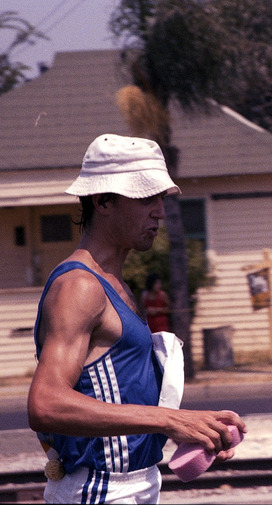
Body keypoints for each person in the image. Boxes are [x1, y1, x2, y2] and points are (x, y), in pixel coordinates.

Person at [27, 134, 246, 504]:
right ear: (103, 201)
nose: (160, 211)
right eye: (146, 198)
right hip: (100, 490)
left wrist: (192, 427)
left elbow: (117, 393)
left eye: (161, 197)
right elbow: (46, 404)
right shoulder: (81, 286)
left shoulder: (117, 285)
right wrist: (170, 420)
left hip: (133, 484)